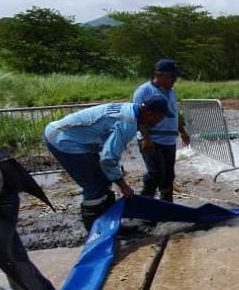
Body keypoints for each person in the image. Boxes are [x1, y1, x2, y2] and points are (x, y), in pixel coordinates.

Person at [44, 97, 172, 230]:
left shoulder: (133, 109)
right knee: (94, 186)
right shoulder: (127, 123)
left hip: (70, 135)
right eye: (160, 117)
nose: (160, 122)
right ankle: (96, 231)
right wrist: (123, 186)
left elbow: (109, 155)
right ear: (149, 113)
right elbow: (108, 158)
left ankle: (111, 226)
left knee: (104, 180)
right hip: (64, 140)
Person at [133, 58, 190, 202]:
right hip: (152, 140)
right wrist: (146, 138)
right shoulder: (144, 91)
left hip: (169, 140)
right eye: (172, 76)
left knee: (168, 176)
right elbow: (138, 116)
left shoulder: (171, 92)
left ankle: (167, 205)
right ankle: (145, 204)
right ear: (160, 75)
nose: (175, 80)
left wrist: (182, 131)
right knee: (155, 174)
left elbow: (175, 112)